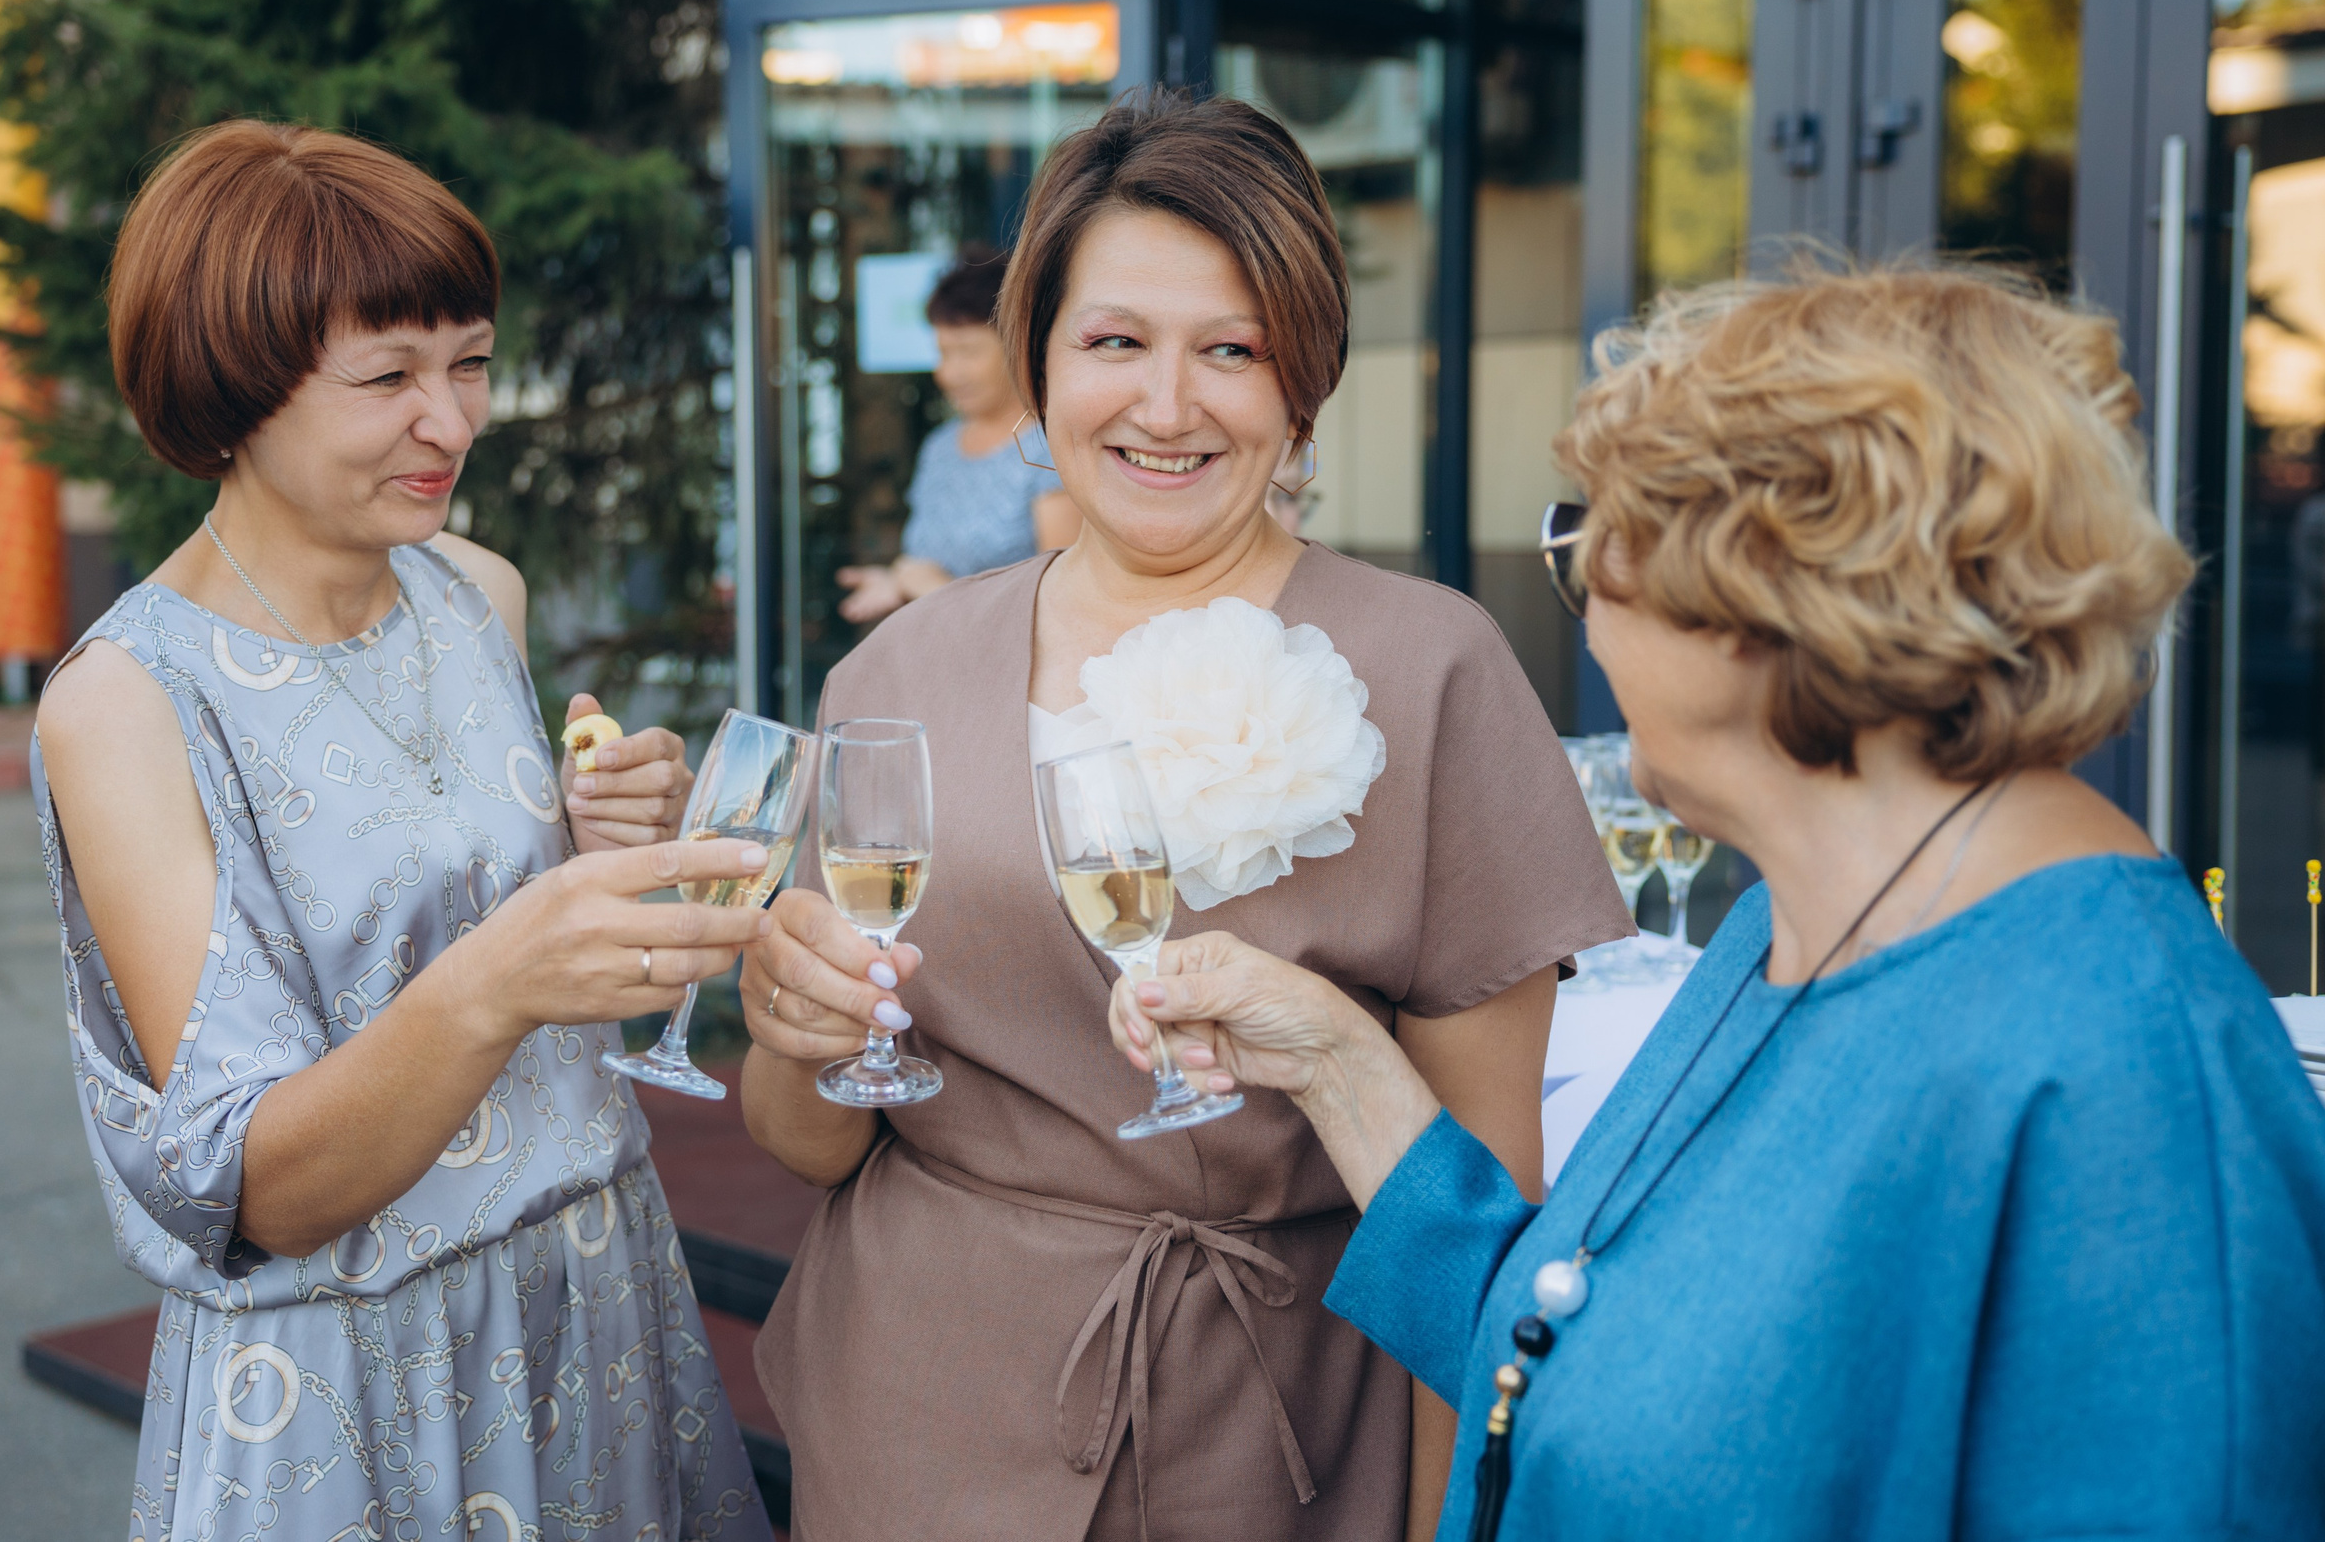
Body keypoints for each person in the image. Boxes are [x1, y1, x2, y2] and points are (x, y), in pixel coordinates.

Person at [1107, 262, 2325, 1538]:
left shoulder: (2123, 1076)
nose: (1583, 608)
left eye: (1595, 542)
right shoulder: (1792, 923)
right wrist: (1340, 1063)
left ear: (1766, 593)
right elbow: (1579, 1354)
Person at [736, 90, 1634, 1540]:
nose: (1166, 406)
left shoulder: (1431, 668)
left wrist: (1433, 1523)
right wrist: (790, 1027)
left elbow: (1475, 1190)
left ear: (1304, 382)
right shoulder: (897, 671)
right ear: (1038, 363)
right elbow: (816, 1139)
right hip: (921, 1409)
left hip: (1283, 1429)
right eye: (1114, 343)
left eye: (1232, 349)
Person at [31, 121, 774, 1541]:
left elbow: (453, 903)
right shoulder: (128, 699)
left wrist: (591, 834)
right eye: (389, 377)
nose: (456, 419)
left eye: (471, 359)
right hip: (355, 1356)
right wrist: (506, 965)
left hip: (594, 1275)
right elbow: (261, 1181)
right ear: (232, 391)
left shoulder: (474, 593)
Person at [834, 246, 1082, 623]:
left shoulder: (1050, 448)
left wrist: (936, 589)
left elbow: (1060, 604)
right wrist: (897, 582)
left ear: (1019, 344)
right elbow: (926, 566)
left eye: (967, 352)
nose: (949, 373)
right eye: (942, 353)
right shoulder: (940, 448)